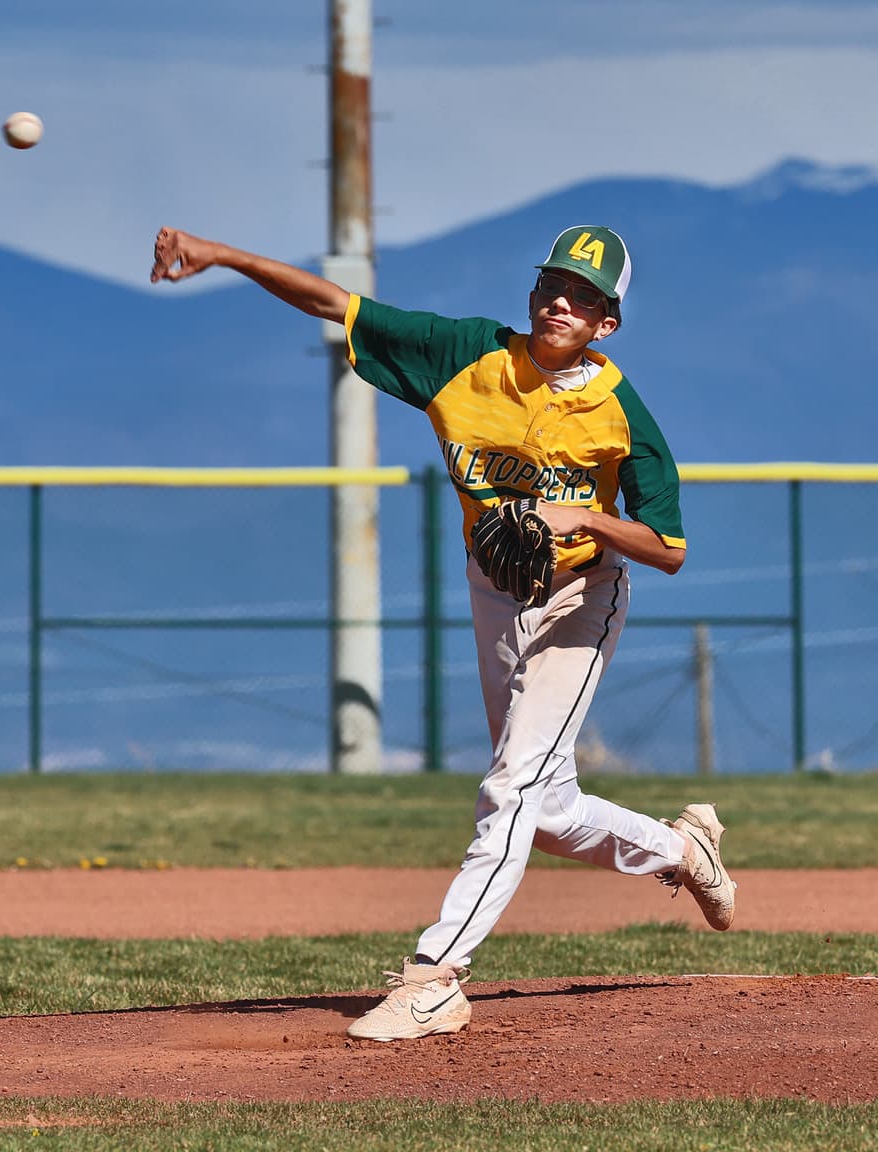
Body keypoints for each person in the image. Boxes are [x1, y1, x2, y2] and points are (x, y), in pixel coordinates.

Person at [150, 223, 737, 1043]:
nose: (561, 302)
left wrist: (587, 518)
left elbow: (669, 548)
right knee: (546, 809)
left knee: (511, 787)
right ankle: (682, 851)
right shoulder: (463, 354)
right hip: (496, 591)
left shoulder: (620, 413)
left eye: (584, 297)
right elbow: (336, 304)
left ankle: (436, 977)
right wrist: (226, 256)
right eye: (553, 285)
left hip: (583, 595)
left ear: (606, 323)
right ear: (532, 294)